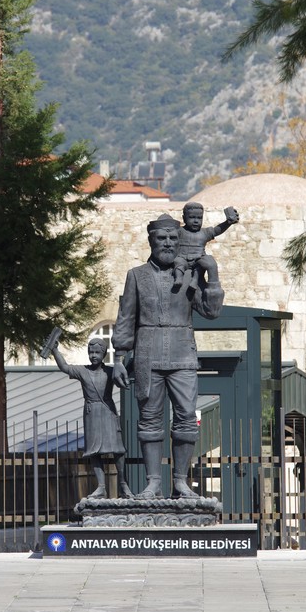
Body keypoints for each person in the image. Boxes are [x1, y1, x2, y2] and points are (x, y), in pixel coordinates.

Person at [112, 212, 225, 499]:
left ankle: (180, 482)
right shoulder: (136, 275)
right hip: (147, 355)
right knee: (149, 419)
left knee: (186, 417)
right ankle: (153, 483)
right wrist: (119, 358)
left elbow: (211, 311)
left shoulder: (190, 273)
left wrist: (212, 275)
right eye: (161, 238)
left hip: (183, 353)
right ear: (151, 241)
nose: (168, 243)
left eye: (173, 238)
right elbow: (126, 317)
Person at [50, 336, 131, 499]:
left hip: (108, 410)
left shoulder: (110, 371)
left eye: (97, 353)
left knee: (118, 450)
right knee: (94, 452)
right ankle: (101, 487)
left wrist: (121, 365)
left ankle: (123, 485)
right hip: (91, 412)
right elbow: (64, 367)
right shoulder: (83, 371)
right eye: (91, 352)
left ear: (104, 354)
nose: (93, 355)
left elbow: (125, 380)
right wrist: (55, 350)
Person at [173, 202, 240, 289]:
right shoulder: (179, 231)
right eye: (192, 217)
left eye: (199, 218)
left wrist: (227, 223)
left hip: (198, 259)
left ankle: (195, 280)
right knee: (178, 262)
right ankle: (178, 278)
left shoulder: (204, 233)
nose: (196, 221)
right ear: (184, 218)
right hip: (182, 257)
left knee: (202, 266)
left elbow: (216, 230)